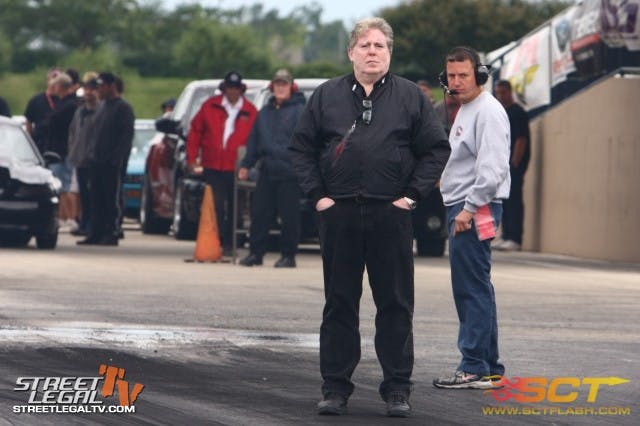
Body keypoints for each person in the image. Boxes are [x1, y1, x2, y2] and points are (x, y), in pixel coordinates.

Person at [290, 17, 450, 417]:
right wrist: (319, 197)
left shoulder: (411, 97)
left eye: (380, 46)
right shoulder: (326, 96)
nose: (372, 52)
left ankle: (397, 389)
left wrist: (411, 197)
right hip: (339, 214)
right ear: (351, 52)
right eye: (365, 45)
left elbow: (436, 150)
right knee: (339, 304)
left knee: (395, 304)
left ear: (389, 53)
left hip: (390, 215)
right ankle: (335, 388)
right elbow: (301, 149)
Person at [433, 46, 510, 389]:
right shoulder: (468, 108)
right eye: (451, 76)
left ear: (479, 75)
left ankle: (474, 366)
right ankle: (488, 366)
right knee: (478, 286)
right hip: (469, 204)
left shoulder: (488, 112)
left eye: (463, 75)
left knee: (470, 289)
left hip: (474, 207)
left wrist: (468, 208)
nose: (456, 82)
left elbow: (492, 170)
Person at [238, 69, 305, 268]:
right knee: (259, 214)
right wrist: (246, 165)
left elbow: (307, 142)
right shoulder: (264, 113)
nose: (280, 88)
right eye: (277, 84)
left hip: (290, 172)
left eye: (284, 84)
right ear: (272, 87)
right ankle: (255, 253)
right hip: (267, 170)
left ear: (292, 87)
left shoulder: (301, 111)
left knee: (289, 217)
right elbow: (254, 142)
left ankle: (288, 256)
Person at [186, 71, 258, 255]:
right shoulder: (209, 106)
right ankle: (213, 242)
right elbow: (195, 132)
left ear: (241, 90)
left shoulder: (250, 111)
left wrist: (249, 164)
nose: (232, 91)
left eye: (236, 88)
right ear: (224, 89)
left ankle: (230, 245)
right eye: (229, 88)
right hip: (213, 166)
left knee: (236, 208)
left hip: (237, 167)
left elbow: (255, 140)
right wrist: (192, 158)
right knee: (215, 205)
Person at [77, 72, 134, 246]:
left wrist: (116, 158)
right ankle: (96, 232)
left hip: (112, 163)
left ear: (111, 86)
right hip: (96, 161)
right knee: (96, 199)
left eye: (101, 87)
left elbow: (126, 137)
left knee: (111, 199)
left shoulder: (123, 108)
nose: (99, 90)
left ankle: (112, 231)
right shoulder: (102, 107)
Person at [493, 79, 530, 252]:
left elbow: (521, 139)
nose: (500, 96)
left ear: (510, 92)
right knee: (504, 200)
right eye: (497, 93)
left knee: (514, 199)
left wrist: (514, 163)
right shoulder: (501, 112)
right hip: (502, 164)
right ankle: (506, 236)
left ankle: (515, 238)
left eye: (503, 92)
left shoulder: (517, 112)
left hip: (513, 165)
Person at [44, 72, 79, 232]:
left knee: (64, 185)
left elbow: (52, 121)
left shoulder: (69, 105)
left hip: (63, 150)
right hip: (60, 149)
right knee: (63, 184)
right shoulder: (65, 103)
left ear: (61, 86)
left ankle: (70, 217)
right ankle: (63, 217)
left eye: (56, 85)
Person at [68, 72, 100, 237]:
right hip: (80, 160)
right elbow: (73, 133)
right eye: (87, 89)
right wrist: (73, 151)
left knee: (94, 196)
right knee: (84, 196)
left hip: (94, 161)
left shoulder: (101, 112)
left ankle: (93, 226)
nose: (89, 92)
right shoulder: (80, 112)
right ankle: (84, 223)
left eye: (92, 89)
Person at [24, 68, 60, 153]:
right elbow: (28, 122)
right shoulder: (36, 100)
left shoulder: (64, 100)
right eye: (53, 79)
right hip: (40, 144)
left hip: (58, 144)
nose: (54, 83)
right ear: (47, 81)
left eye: (57, 81)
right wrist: (31, 142)